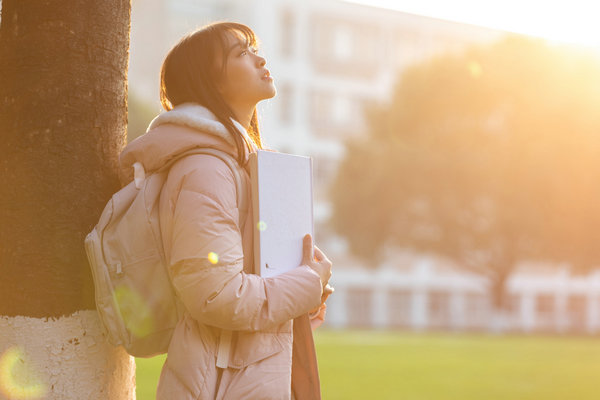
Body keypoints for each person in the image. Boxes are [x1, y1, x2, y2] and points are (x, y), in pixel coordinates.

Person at [118, 22, 333, 399]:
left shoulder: (239, 164)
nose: (260, 58)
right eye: (241, 53)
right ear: (211, 82)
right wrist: (306, 285)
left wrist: (301, 300)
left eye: (253, 48)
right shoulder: (206, 168)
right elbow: (216, 296)